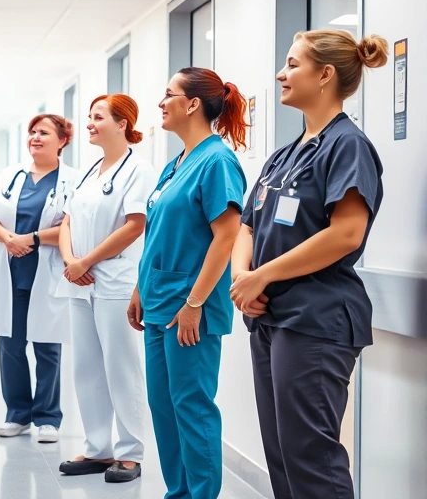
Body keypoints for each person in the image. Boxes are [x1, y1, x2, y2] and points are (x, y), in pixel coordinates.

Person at [230, 30, 387, 499]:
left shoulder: (347, 145)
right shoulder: (286, 154)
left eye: (292, 64)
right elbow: (248, 224)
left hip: (317, 319)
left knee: (311, 457)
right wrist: (243, 276)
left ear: (325, 75)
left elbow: (346, 233)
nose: (281, 73)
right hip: (271, 316)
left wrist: (263, 275)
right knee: (280, 451)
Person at [130, 67, 248, 499]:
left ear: (192, 104)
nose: (161, 104)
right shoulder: (176, 163)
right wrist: (140, 288)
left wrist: (195, 303)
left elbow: (227, 235)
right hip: (160, 302)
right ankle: (178, 493)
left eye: (168, 95)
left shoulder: (217, 161)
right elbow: (159, 232)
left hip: (190, 311)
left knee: (192, 406)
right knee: (163, 407)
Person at [56, 94, 154, 483]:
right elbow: (66, 220)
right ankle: (98, 449)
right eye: (90, 117)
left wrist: (86, 261)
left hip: (114, 280)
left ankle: (130, 452)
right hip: (80, 281)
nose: (90, 124)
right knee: (87, 368)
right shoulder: (87, 170)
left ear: (122, 124)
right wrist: (70, 262)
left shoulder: (139, 170)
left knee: (121, 367)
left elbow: (135, 225)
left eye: (98, 117)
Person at [0, 114, 78, 443]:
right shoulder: (12, 176)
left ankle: (48, 417)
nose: (35, 138)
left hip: (47, 270)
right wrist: (9, 238)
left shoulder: (72, 180)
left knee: (48, 346)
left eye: (44, 133)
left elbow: (70, 226)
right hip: (12, 270)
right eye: (33, 132)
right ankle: (17, 414)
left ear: (62, 141)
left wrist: (32, 239)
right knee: (10, 346)